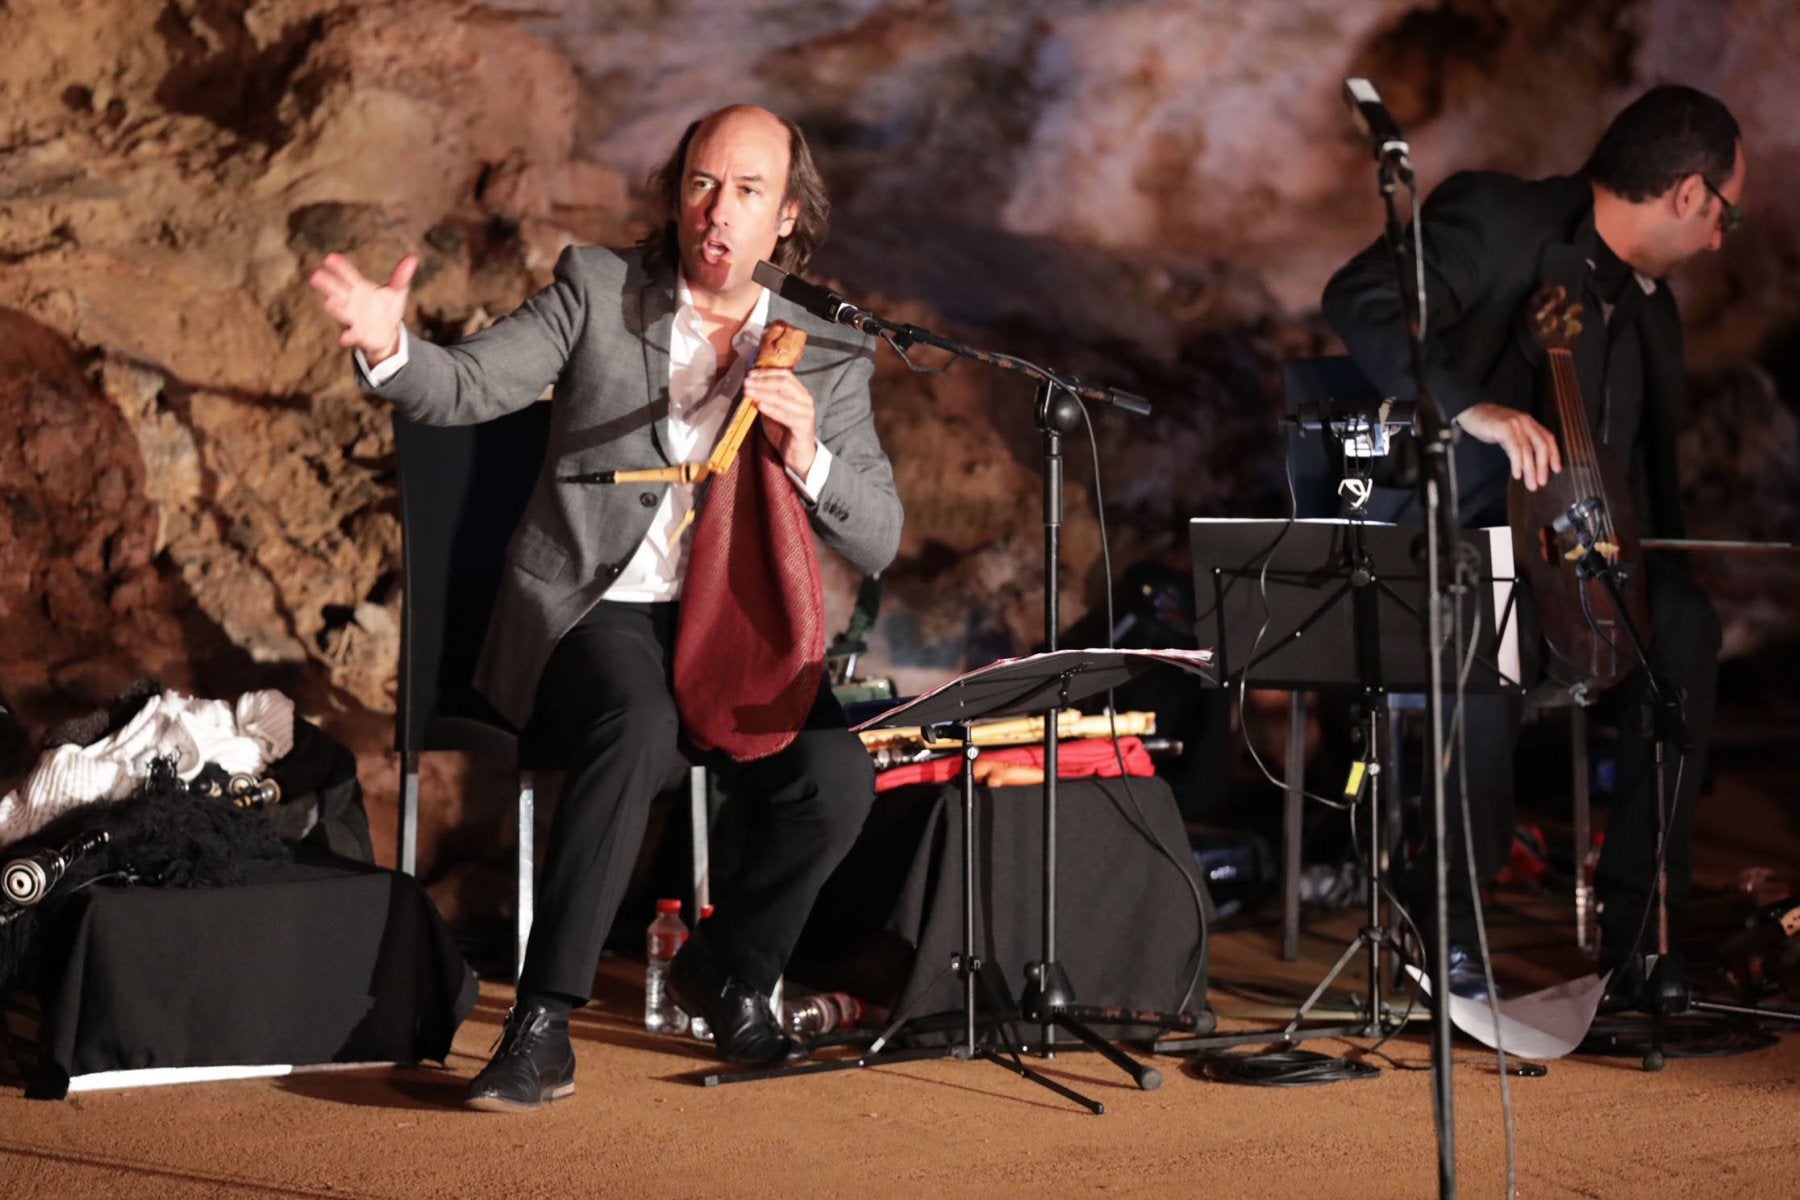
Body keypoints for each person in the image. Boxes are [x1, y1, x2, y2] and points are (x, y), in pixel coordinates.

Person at [310, 104, 903, 1110]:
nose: (718, 210)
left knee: (836, 779)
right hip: (596, 608)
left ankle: (733, 969)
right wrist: (390, 349)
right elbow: (466, 387)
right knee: (635, 723)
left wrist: (810, 454)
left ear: (788, 219)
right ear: (677, 196)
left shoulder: (827, 348)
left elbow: (879, 535)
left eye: (748, 192)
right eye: (701, 183)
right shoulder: (599, 287)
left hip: (734, 625)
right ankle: (543, 1025)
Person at [1322, 85, 1742, 1003]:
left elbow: (1651, 485)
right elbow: (1357, 297)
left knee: (1683, 628)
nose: (1719, 238)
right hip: (1463, 548)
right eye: (1724, 214)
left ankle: (1642, 940)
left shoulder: (1653, 313)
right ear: (1688, 194)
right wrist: (1473, 409)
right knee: (1494, 608)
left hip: (1593, 572)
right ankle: (1448, 923)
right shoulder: (1502, 216)